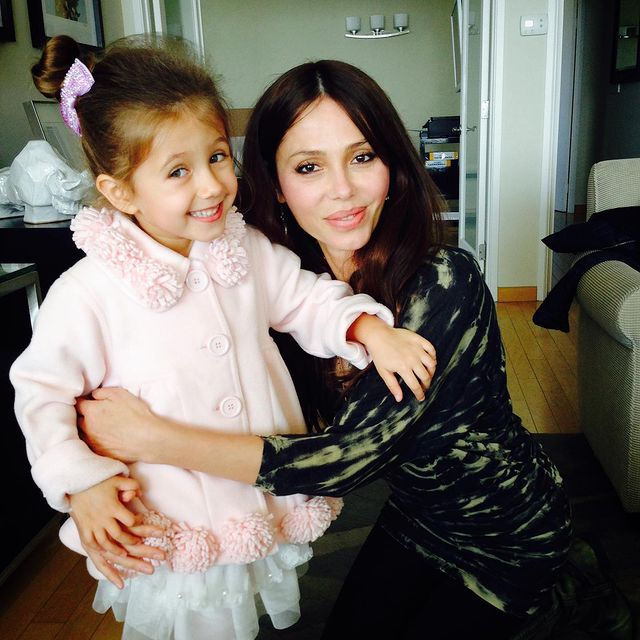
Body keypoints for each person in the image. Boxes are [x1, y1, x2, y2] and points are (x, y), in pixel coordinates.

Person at [76, 60, 573, 639]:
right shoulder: (279, 284)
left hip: (510, 533)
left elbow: (344, 460)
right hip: (416, 516)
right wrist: (87, 481)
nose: (343, 189)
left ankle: (571, 591)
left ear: (392, 165)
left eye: (363, 157)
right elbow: (162, 374)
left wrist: (152, 440)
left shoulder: (444, 281)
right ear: (275, 184)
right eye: (309, 167)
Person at [11, 39, 438, 640]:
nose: (211, 186)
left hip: (250, 494)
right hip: (169, 509)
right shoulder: (90, 291)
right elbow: (42, 394)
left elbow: (306, 298)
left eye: (216, 157)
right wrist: (86, 482)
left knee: (248, 611)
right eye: (178, 172)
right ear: (121, 191)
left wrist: (367, 328)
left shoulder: (244, 249)